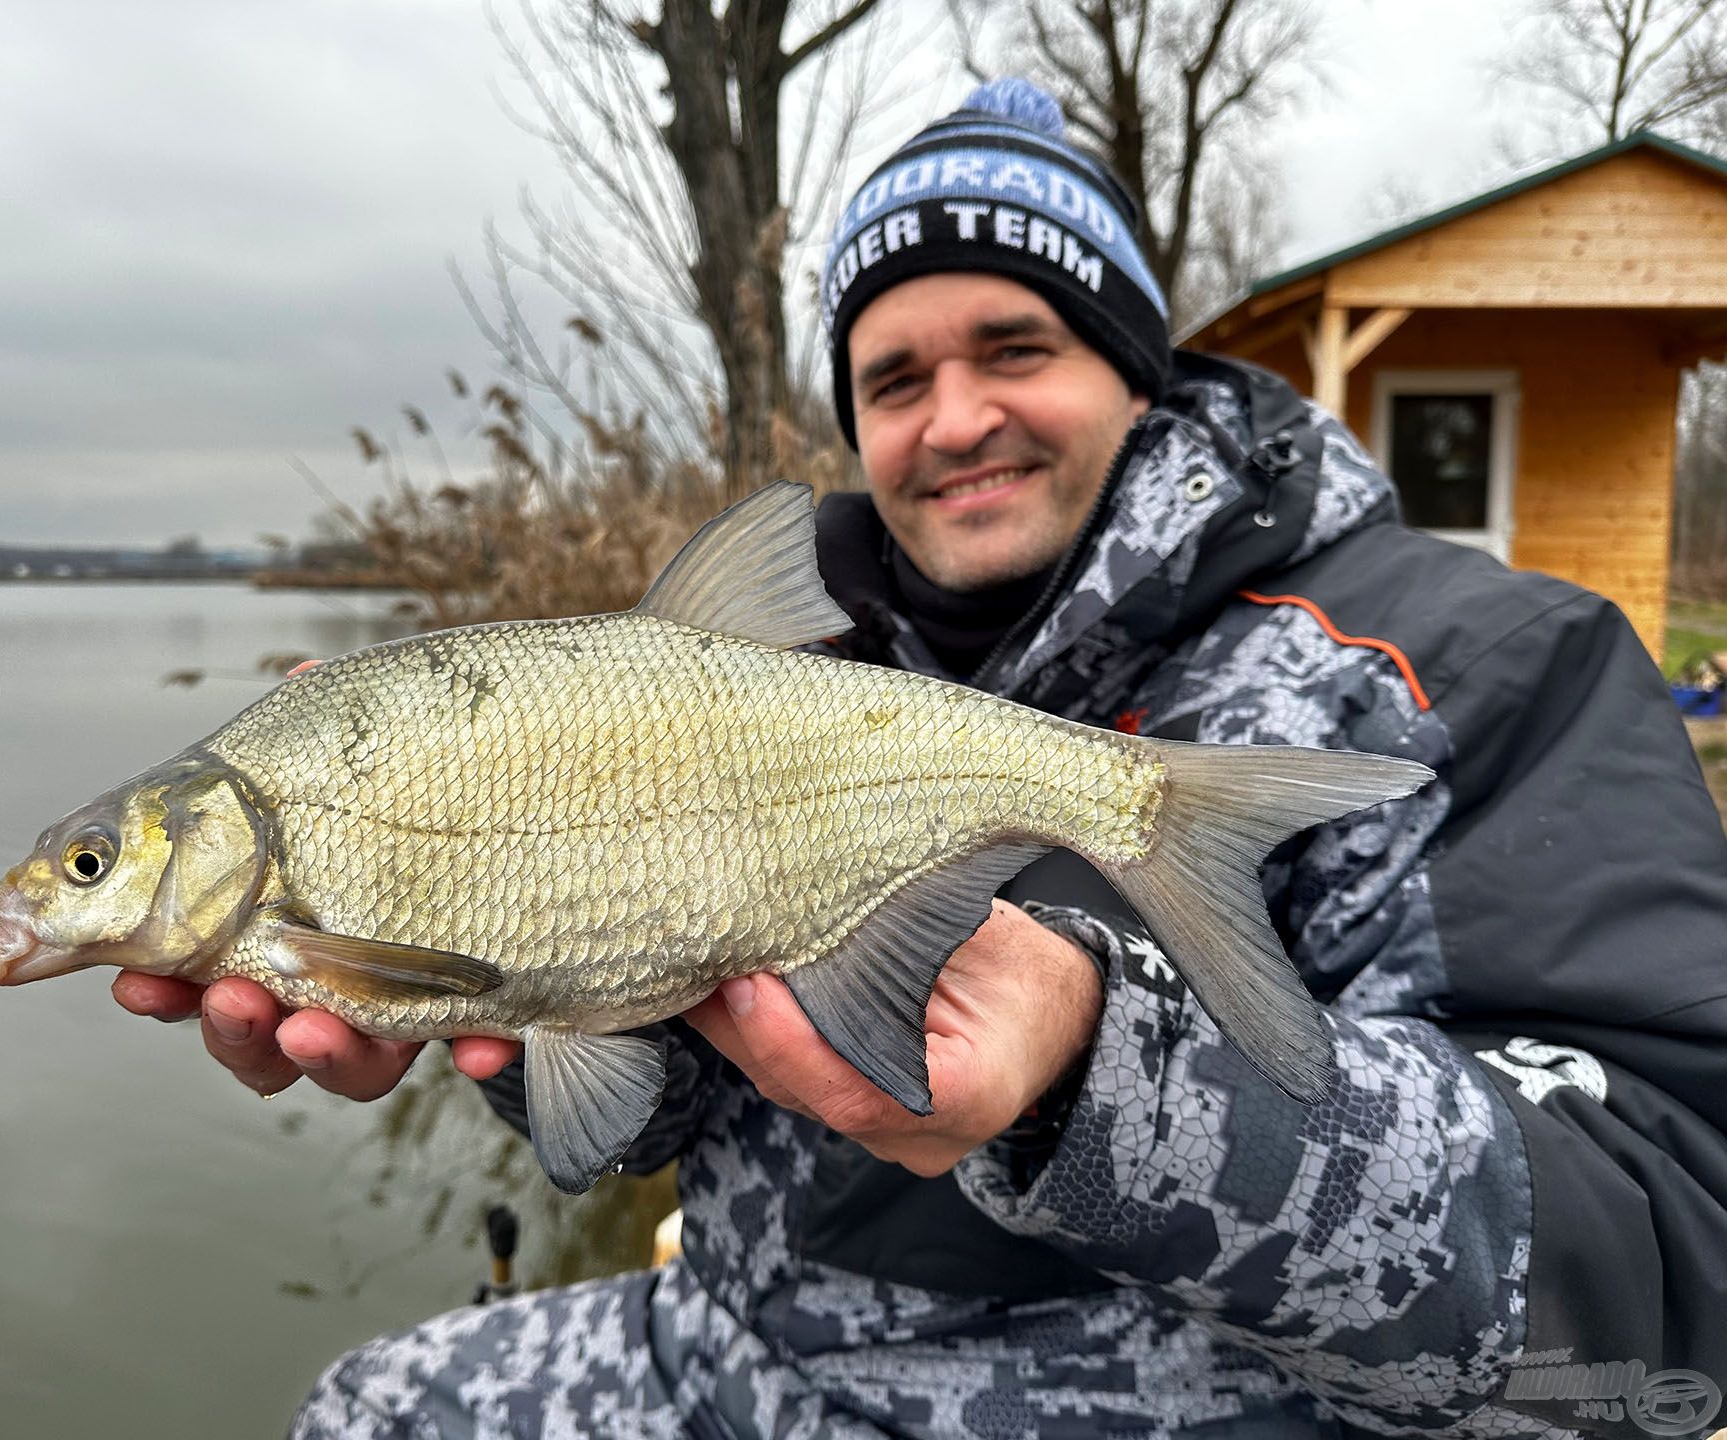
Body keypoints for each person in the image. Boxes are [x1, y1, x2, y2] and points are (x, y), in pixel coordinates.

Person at [117, 79, 1727, 1438]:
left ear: (1135, 367)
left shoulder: (1475, 664)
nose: (953, 419)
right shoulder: (787, 653)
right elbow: (638, 1086)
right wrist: (496, 995)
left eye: (1015, 346)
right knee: (362, 1407)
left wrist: (1106, 1073)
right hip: (731, 1365)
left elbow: (1675, 1265)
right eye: (894, 377)